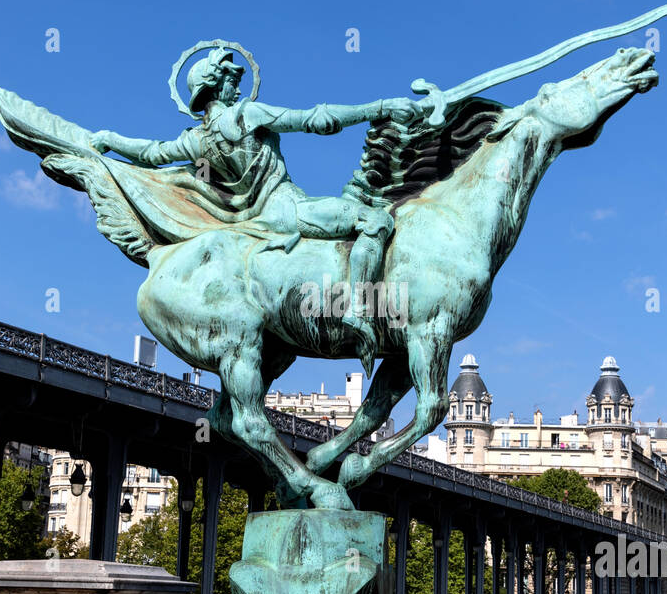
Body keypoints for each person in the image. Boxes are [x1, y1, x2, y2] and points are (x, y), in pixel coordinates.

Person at [90, 47, 432, 374]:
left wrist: (111, 139)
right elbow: (316, 119)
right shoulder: (247, 115)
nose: (237, 86)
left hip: (259, 220)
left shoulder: (197, 140)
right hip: (291, 208)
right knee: (375, 220)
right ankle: (357, 307)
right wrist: (381, 107)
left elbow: (152, 153)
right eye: (230, 79)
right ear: (215, 86)